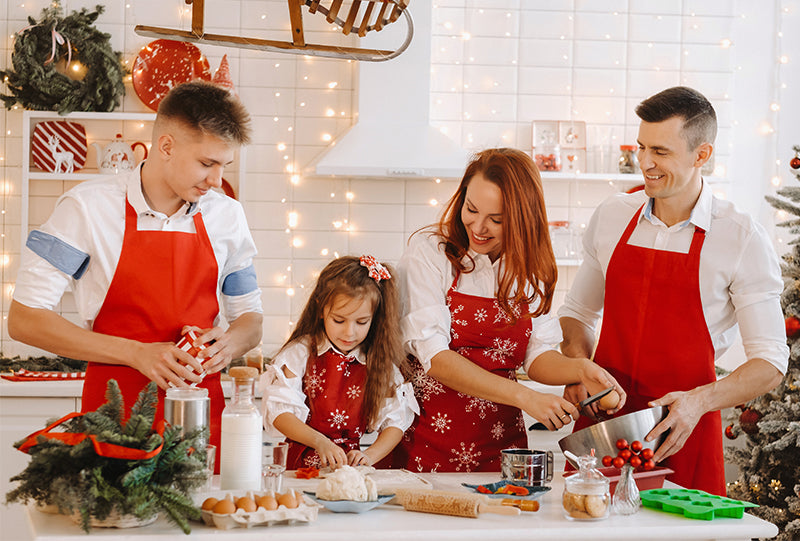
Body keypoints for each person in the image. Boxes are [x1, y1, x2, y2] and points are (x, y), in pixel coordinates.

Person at [8, 81, 264, 461]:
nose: (215, 181)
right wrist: (138, 354)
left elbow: (251, 319)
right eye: (207, 164)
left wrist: (229, 345)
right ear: (166, 147)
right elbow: (24, 320)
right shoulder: (86, 208)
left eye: (223, 166)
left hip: (199, 413)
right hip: (115, 413)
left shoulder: (227, 215)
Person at [559, 86, 788, 495]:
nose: (644, 162)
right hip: (604, 427)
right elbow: (577, 311)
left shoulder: (740, 238)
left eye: (660, 152)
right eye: (642, 147)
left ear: (702, 155)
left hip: (683, 429)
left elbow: (770, 361)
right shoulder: (613, 215)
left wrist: (698, 401)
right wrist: (579, 366)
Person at [394, 148, 626, 473]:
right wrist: (525, 397)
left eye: (497, 220)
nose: (478, 227)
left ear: (522, 218)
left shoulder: (529, 267)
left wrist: (581, 369)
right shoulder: (430, 253)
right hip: (428, 442)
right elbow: (435, 358)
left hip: (505, 449)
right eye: (471, 209)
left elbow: (537, 355)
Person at [259, 255, 418, 469]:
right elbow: (280, 413)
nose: (349, 332)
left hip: (348, 469)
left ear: (374, 317)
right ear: (321, 309)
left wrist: (370, 455)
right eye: (339, 320)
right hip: (299, 468)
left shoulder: (377, 362)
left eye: (361, 322)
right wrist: (320, 442)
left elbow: (396, 423)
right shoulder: (300, 353)